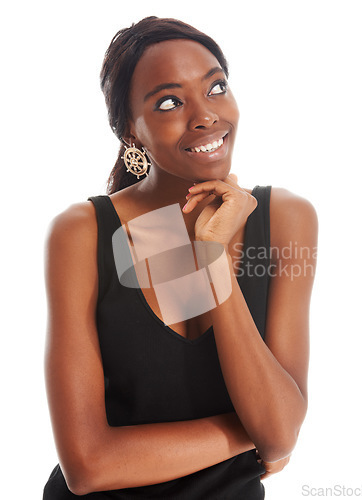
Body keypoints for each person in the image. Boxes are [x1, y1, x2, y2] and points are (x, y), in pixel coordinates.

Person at [42, 16, 318, 499]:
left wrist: (211, 256)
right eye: (169, 101)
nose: (205, 115)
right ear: (131, 131)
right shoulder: (81, 233)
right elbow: (87, 466)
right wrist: (253, 430)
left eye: (216, 87)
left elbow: (280, 432)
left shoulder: (285, 219)